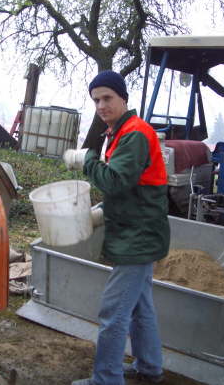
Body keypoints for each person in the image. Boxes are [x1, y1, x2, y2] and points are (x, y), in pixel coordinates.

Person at [64, 70, 170, 385]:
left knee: (114, 312)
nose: (101, 105)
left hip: (137, 238)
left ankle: (106, 378)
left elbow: (116, 181)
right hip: (137, 231)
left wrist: (87, 160)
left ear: (123, 97)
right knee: (140, 305)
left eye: (107, 98)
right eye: (96, 100)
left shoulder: (135, 133)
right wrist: (101, 212)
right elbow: (131, 187)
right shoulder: (121, 132)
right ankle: (149, 367)